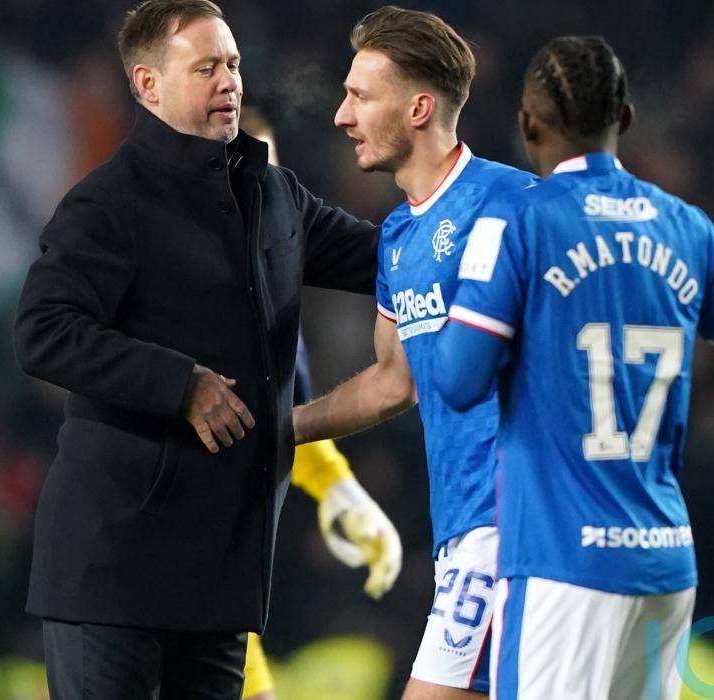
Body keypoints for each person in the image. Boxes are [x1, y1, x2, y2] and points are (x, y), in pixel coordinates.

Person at [432, 36, 714, 699]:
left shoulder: (518, 223)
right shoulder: (688, 229)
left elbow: (457, 380)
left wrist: (460, 291)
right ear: (625, 118)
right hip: (663, 567)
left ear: (528, 124)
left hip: (562, 563)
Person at [12, 0, 378, 696]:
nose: (229, 81)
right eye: (206, 67)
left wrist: (478, 220)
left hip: (219, 585)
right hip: (115, 577)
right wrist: (181, 384)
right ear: (147, 85)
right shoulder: (108, 203)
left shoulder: (272, 193)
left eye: (233, 64)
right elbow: (43, 330)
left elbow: (386, 259)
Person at [292, 7, 535, 699]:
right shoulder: (399, 237)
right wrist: (282, 430)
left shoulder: (516, 205)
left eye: (361, 97)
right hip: (463, 528)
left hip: (516, 523)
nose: (342, 116)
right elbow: (392, 382)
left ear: (419, 108)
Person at [238, 105, 403, 700]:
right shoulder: (163, 289)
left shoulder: (267, 291)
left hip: (220, 577)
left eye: (270, 177)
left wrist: (338, 487)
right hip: (145, 574)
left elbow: (281, 418)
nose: (262, 197)